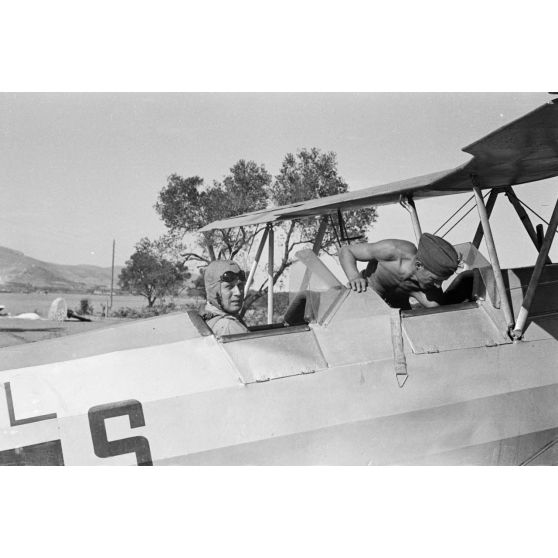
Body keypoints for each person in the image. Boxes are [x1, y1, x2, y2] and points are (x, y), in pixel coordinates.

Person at [339, 233, 460, 309]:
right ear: (419, 265)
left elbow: (438, 313)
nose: (438, 286)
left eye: (442, 281)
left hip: (396, 310)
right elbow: (347, 251)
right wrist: (354, 277)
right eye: (435, 279)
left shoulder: (430, 294)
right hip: (365, 295)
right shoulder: (394, 251)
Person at [201, 260, 250, 336]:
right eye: (229, 287)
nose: (238, 293)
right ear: (214, 292)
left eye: (240, 286)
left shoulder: (206, 315)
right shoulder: (229, 326)